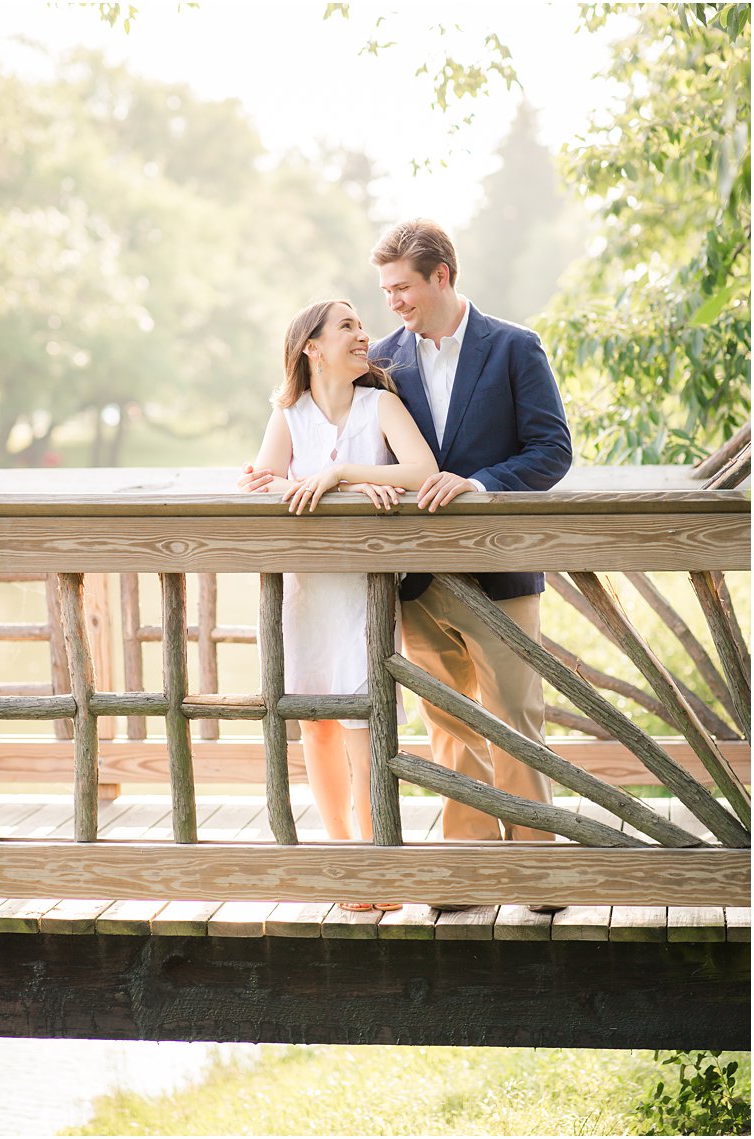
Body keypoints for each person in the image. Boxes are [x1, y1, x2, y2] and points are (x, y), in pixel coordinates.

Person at [246, 220, 574, 914]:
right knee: (447, 724)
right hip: (417, 579)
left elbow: (551, 450)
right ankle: (465, 871)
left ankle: (536, 875)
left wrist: (477, 483)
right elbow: (360, 445)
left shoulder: (514, 348)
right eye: (383, 290)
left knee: (515, 716)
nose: (391, 302)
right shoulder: (380, 361)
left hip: (501, 570)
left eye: (401, 287)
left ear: (441, 277)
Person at [240, 299, 437, 911]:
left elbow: (423, 470)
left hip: (360, 590)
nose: (363, 335)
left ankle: (380, 864)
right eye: (346, 326)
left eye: (360, 325)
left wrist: (345, 473)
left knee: (365, 722)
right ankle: (344, 857)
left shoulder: (381, 404)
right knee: (316, 722)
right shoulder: (289, 413)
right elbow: (262, 479)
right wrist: (316, 484)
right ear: (312, 347)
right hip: (305, 590)